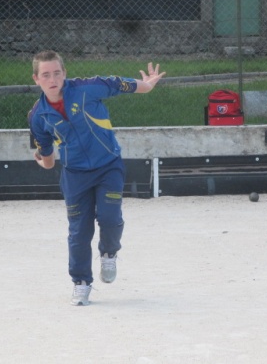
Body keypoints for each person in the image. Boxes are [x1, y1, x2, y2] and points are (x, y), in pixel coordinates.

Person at [28, 50, 165, 306]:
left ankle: (109, 253)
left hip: (108, 166)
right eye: (46, 75)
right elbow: (47, 157)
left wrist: (146, 85)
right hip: (74, 175)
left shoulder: (87, 88)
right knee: (79, 232)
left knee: (109, 216)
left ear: (65, 73)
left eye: (57, 72)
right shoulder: (37, 116)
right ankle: (81, 283)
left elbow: (117, 84)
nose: (52, 78)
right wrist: (42, 160)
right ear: (36, 79)